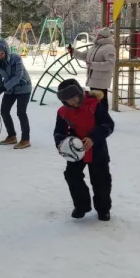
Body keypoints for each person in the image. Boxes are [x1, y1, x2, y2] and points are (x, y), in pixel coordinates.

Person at [54, 78, 114, 221]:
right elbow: (59, 132)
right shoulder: (63, 112)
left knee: (101, 180)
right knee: (72, 175)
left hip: (97, 148)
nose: (73, 101)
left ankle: (103, 209)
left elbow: (108, 124)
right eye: (69, 100)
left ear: (80, 93)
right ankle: (81, 206)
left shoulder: (94, 104)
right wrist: (61, 143)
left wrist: (93, 137)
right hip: (75, 150)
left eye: (75, 97)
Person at [0, 39, 33, 149]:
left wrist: (4, 88)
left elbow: (18, 76)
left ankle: (25, 139)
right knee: (4, 111)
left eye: (2, 53)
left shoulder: (16, 58)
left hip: (24, 87)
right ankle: (12, 136)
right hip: (10, 89)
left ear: (6, 51)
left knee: (21, 112)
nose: (0, 56)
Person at [73, 27, 116, 110]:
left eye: (100, 35)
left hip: (101, 80)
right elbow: (83, 56)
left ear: (105, 37)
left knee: (101, 102)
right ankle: (97, 116)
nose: (98, 36)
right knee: (95, 102)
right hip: (93, 79)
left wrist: (92, 65)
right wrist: (73, 51)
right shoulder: (95, 47)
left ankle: (103, 116)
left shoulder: (109, 48)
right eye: (98, 34)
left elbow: (110, 64)